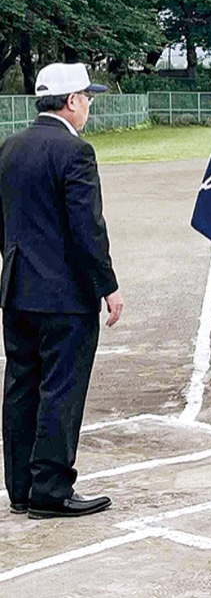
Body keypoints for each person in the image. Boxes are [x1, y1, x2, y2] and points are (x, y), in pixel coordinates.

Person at [1, 63, 124, 518]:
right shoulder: (76, 152)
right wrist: (107, 286)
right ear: (71, 101)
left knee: (21, 386)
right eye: (86, 98)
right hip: (64, 296)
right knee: (60, 389)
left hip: (17, 290)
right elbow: (86, 229)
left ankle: (21, 488)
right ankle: (51, 489)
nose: (88, 105)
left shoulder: (9, 148)